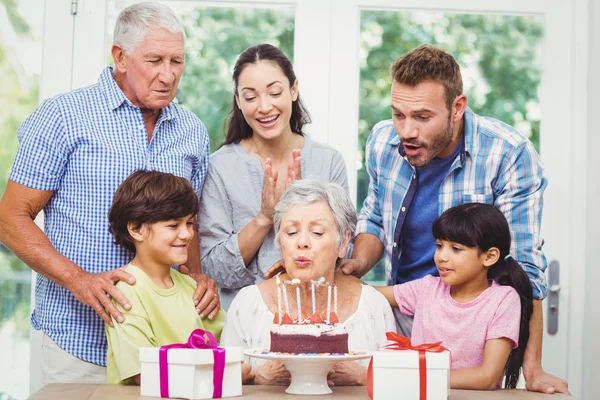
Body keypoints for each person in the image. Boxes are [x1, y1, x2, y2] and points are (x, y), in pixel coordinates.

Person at [0, 2, 219, 384]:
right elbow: (10, 219)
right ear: (120, 56)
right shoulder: (63, 117)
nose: (168, 75)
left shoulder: (192, 131)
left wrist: (197, 279)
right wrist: (80, 280)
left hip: (163, 350)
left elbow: (189, 225)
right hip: (78, 342)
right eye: (155, 60)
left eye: (177, 61)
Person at [339, 44, 568, 394]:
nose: (406, 131)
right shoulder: (382, 142)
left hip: (467, 331)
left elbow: (524, 268)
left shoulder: (507, 153)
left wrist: (532, 367)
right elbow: (375, 220)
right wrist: (356, 263)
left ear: (457, 107)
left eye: (422, 117)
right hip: (399, 313)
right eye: (398, 114)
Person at [199, 44, 349, 310]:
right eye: (250, 96)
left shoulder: (328, 161)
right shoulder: (221, 167)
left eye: (275, 92)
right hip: (241, 324)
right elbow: (213, 268)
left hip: (316, 319)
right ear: (237, 100)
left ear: (293, 90)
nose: (264, 107)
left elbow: (343, 251)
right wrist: (265, 218)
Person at [220, 180, 395, 386]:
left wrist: (364, 378)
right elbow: (223, 382)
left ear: (344, 242)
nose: (301, 242)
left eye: (317, 232)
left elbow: (395, 384)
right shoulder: (248, 305)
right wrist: (257, 378)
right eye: (291, 232)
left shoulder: (373, 306)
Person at [376, 203, 533, 389]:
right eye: (439, 245)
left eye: (456, 249)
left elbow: (487, 377)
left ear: (489, 256)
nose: (441, 256)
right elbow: (368, 294)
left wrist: (413, 378)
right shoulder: (427, 288)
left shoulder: (504, 300)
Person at [105, 170, 231, 385]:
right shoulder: (125, 293)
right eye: (173, 225)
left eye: (189, 224)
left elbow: (228, 346)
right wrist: (230, 376)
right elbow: (144, 375)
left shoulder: (192, 287)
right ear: (136, 229)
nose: (186, 234)